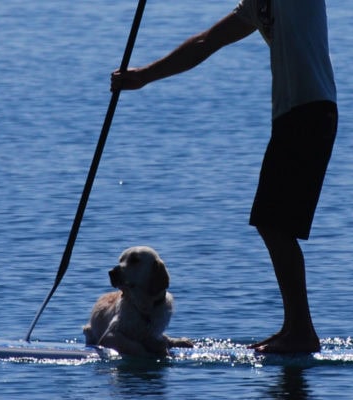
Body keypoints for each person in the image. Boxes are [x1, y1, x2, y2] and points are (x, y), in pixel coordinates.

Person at [111, 0, 337, 353]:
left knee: (276, 224)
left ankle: (301, 331)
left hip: (311, 112)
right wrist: (143, 76)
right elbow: (206, 42)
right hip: (291, 115)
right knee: (271, 223)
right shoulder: (257, 6)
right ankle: (295, 327)